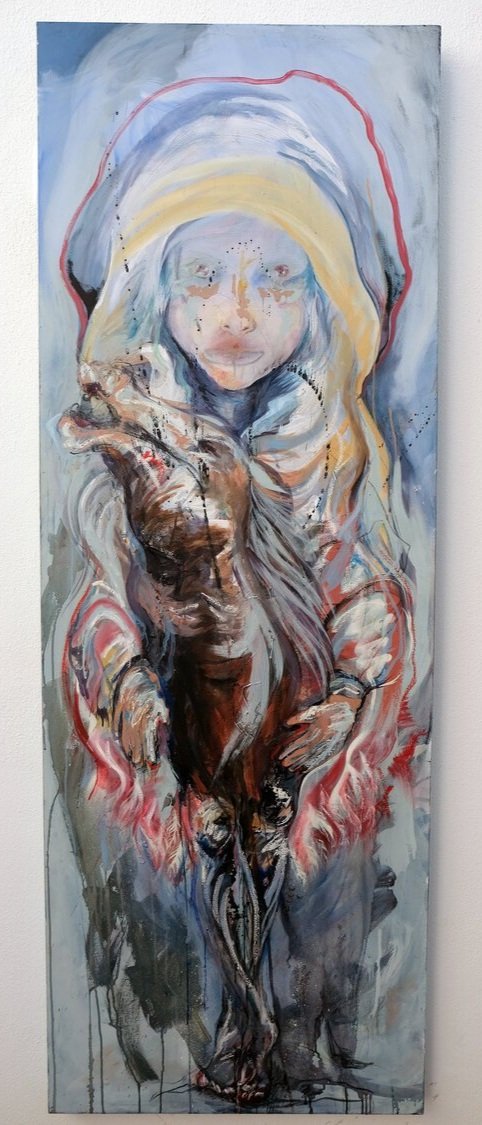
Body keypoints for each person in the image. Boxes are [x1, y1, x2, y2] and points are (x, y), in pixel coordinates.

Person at [57, 94, 415, 1106]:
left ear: (321, 297)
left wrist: (351, 692)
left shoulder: (334, 450)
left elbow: (363, 587)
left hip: (294, 753)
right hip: (176, 743)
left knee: (316, 907)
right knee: (174, 910)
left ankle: (301, 1044)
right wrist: (130, 693)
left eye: (275, 280)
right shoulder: (132, 437)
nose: (236, 314)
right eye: (204, 279)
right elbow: (99, 601)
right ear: (157, 292)